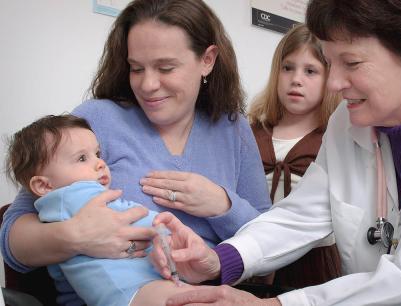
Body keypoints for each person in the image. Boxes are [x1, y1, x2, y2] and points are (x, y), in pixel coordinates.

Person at [150, 0, 401, 305]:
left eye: (351, 63)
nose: (333, 83)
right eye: (328, 61)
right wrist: (222, 259)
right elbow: (301, 214)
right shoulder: (348, 123)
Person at [0, 0, 270, 304]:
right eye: (136, 68)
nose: (148, 84)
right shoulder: (96, 120)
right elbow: (13, 237)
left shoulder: (232, 129)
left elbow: (270, 241)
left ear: (207, 60)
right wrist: (76, 235)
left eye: (165, 68)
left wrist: (222, 203)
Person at [5, 114, 196, 306]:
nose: (100, 163)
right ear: (44, 186)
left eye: (97, 154)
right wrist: (169, 228)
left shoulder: (54, 209)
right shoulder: (72, 196)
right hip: (124, 291)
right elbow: (135, 220)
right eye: (82, 158)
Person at [247, 24, 341, 288]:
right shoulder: (250, 131)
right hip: (251, 255)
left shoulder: (335, 139)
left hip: (311, 266)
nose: (296, 79)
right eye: (288, 68)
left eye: (310, 71)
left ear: (330, 78)